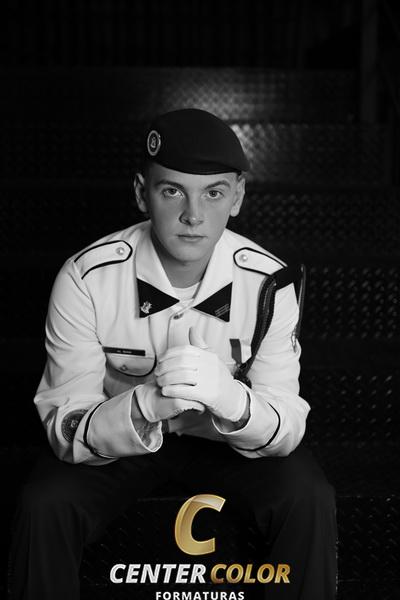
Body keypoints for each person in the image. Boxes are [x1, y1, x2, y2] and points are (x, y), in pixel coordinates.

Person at [8, 108, 337, 599]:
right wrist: (142, 406)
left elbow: (286, 422)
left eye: (213, 193)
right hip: (122, 443)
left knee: (310, 497)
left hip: (224, 443)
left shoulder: (269, 283)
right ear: (142, 192)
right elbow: (65, 424)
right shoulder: (86, 278)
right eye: (172, 191)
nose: (193, 215)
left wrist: (234, 402)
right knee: (44, 502)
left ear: (238, 197)